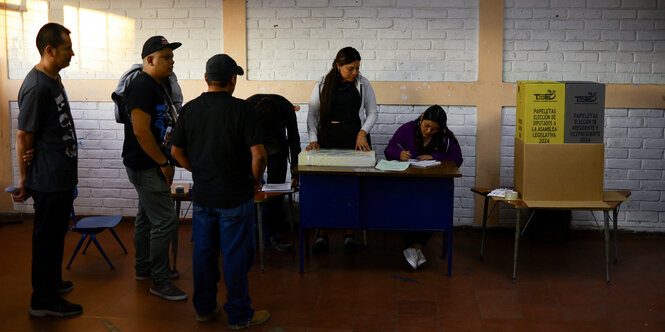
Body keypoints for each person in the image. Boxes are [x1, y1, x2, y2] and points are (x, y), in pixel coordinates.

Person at [170, 54, 271, 329]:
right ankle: (239, 315)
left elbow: (176, 151)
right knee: (236, 257)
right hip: (235, 196)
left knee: (203, 254)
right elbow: (259, 155)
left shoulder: (190, 109)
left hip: (204, 195)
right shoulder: (243, 110)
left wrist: (198, 171)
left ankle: (204, 308)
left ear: (206, 78)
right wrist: (254, 180)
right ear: (232, 80)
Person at [13, 22, 82, 317]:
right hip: (48, 179)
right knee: (46, 241)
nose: (73, 53)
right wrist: (24, 179)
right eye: (67, 48)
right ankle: (43, 301)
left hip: (60, 176)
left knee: (55, 238)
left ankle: (51, 283)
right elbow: (23, 135)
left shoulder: (52, 78)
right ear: (50, 50)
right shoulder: (36, 85)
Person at [121, 35, 186, 301]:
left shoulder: (156, 85)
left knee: (148, 216)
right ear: (149, 60)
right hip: (145, 165)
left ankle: (143, 268)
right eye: (166, 57)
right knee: (165, 219)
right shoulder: (141, 86)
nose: (172, 62)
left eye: (172, 57)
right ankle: (160, 280)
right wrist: (161, 162)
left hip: (149, 163)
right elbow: (140, 130)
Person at [306, 46, 378, 253]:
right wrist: (313, 139)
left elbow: (372, 112)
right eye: (350, 68)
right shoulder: (322, 84)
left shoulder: (363, 84)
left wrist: (363, 132)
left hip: (356, 140)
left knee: (353, 186)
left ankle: (350, 234)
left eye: (357, 68)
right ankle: (322, 235)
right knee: (325, 188)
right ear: (338, 66)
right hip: (327, 139)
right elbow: (312, 115)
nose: (355, 72)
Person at [384, 105, 463, 269]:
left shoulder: (445, 137)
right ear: (421, 118)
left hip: (432, 184)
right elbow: (389, 150)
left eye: (434, 129)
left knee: (433, 209)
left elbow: (458, 159)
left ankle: (416, 248)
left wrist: (435, 156)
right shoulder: (407, 129)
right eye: (426, 125)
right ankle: (413, 249)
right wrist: (398, 154)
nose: (428, 131)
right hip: (407, 183)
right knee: (405, 207)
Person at [246, 94, 301, 253]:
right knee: (250, 186)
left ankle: (274, 233)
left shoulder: (286, 108)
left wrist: (295, 173)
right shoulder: (247, 107)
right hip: (253, 143)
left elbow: (294, 141)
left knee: (276, 190)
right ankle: (252, 231)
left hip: (278, 144)